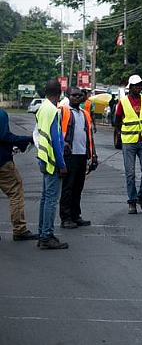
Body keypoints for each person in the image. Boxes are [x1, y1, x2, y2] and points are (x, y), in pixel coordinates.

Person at [35, 78, 69, 249]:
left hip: (43, 158)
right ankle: (47, 236)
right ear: (60, 93)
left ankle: (42, 234)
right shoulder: (54, 110)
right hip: (52, 161)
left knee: (45, 198)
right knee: (51, 199)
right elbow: (55, 141)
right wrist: (62, 164)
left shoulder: (42, 108)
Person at [115, 74, 142, 214]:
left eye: (140, 85)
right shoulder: (123, 102)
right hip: (129, 142)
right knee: (130, 173)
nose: (138, 87)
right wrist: (124, 133)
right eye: (136, 85)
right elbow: (117, 121)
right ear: (130, 87)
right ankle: (132, 201)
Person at [58, 87, 98, 229]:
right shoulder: (63, 111)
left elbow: (89, 136)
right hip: (69, 156)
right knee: (67, 188)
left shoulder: (85, 114)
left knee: (78, 187)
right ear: (68, 96)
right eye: (74, 95)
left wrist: (93, 155)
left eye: (79, 95)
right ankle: (66, 217)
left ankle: (76, 215)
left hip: (82, 155)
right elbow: (56, 132)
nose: (77, 97)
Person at [0, 107, 38, 242]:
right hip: (2, 162)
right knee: (15, 192)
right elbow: (4, 136)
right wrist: (25, 139)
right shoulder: (1, 113)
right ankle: (19, 229)